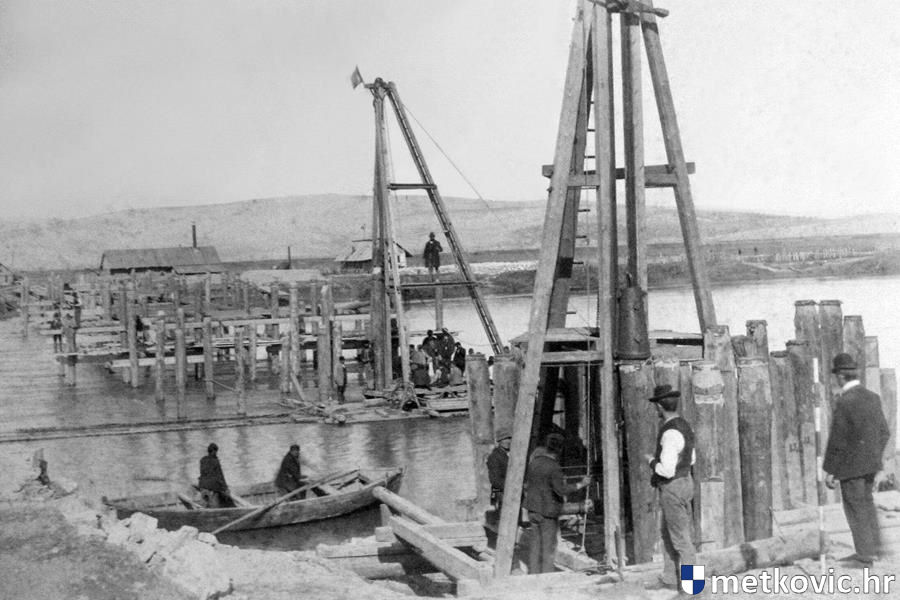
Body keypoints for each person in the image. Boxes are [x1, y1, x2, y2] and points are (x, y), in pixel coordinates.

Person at [823, 353, 890, 567]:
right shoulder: (872, 397)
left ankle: (864, 556)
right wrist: (875, 459)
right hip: (871, 464)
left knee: (855, 508)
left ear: (840, 376)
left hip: (850, 467)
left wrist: (830, 470)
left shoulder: (844, 402)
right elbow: (884, 432)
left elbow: (838, 439)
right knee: (867, 504)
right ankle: (875, 550)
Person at [643, 384, 696, 590]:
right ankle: (670, 578)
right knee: (668, 534)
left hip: (672, 486)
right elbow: (692, 458)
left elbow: (666, 470)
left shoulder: (669, 433)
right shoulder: (685, 426)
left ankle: (694, 587)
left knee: (681, 539)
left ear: (659, 407)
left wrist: (651, 461)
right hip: (686, 481)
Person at [523, 432, 592, 574]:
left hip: (532, 510)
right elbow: (560, 490)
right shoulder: (554, 467)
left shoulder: (534, 462)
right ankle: (547, 576)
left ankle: (533, 575)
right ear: (560, 449)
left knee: (535, 546)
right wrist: (581, 484)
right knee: (548, 548)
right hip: (547, 513)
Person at [198, 443, 232, 508]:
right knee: (222, 492)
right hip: (212, 486)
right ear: (214, 451)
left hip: (202, 485)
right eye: (216, 451)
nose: (216, 453)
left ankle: (208, 503)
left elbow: (203, 473)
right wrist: (226, 488)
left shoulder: (202, 460)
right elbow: (220, 476)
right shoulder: (215, 461)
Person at [487, 430, 511, 508]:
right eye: (504, 439)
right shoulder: (495, 457)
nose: (508, 441)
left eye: (509, 438)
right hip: (501, 493)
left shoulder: (507, 455)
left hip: (509, 492)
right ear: (499, 441)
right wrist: (511, 487)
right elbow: (495, 480)